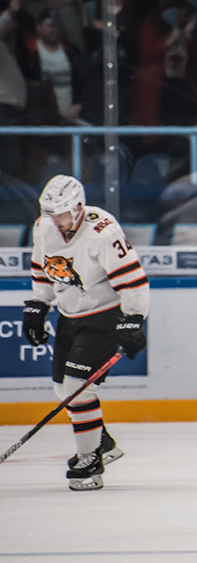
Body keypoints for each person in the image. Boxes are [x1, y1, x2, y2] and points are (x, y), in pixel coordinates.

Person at [22, 175, 149, 491]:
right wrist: (39, 305)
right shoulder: (44, 227)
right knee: (62, 391)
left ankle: (90, 461)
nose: (57, 221)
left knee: (80, 389)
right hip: (69, 315)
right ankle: (101, 441)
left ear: (78, 208)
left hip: (105, 317)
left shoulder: (102, 231)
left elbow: (133, 280)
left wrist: (133, 319)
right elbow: (43, 268)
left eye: (62, 214)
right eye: (51, 213)